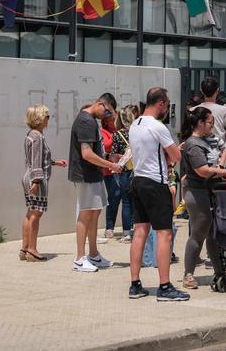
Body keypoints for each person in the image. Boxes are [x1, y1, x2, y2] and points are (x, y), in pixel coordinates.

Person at [127, 87, 190, 302]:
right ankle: (164, 286)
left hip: (137, 181)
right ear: (160, 103)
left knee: (140, 232)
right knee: (164, 233)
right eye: (168, 103)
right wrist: (172, 151)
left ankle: (135, 284)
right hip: (155, 183)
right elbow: (176, 156)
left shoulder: (134, 124)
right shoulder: (158, 126)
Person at [69, 94, 123, 273]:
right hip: (86, 175)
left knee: (94, 212)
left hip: (94, 174)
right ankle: (79, 258)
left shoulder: (90, 120)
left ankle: (93, 254)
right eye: (107, 111)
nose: (107, 115)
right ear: (100, 104)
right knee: (85, 214)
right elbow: (86, 154)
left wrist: (109, 158)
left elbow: (93, 152)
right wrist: (111, 165)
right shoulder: (86, 121)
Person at [180, 106, 226, 290]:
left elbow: (222, 149)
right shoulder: (193, 144)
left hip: (209, 190)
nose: (212, 126)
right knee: (199, 232)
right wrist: (221, 171)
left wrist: (221, 164)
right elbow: (201, 170)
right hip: (197, 191)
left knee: (213, 232)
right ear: (200, 123)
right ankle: (188, 274)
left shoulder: (206, 140)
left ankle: (219, 271)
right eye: (210, 122)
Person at [20, 104, 67, 262]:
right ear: (40, 119)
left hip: (29, 176)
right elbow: (36, 161)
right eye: (47, 116)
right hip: (36, 178)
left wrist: (54, 163)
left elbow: (38, 158)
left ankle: (25, 248)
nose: (48, 119)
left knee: (30, 213)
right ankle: (32, 249)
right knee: (36, 214)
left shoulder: (31, 135)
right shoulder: (38, 137)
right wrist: (37, 181)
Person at [104, 105, 136, 244]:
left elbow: (113, 155)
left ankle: (126, 233)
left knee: (126, 202)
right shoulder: (137, 132)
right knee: (136, 201)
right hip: (138, 170)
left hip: (123, 172)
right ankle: (138, 228)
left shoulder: (118, 135)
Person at [198, 76, 226, 147]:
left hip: (198, 153)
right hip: (220, 153)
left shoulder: (193, 110)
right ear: (217, 90)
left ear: (201, 91)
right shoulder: (224, 110)